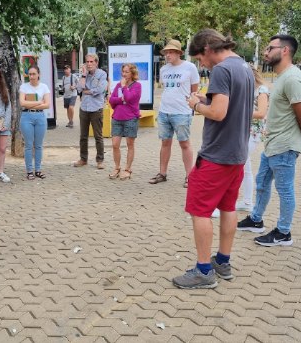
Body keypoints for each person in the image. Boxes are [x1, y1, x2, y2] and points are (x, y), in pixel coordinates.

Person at [171, 29, 254, 289]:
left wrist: (195, 105)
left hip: (216, 155)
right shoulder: (244, 67)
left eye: (199, 59)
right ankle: (223, 262)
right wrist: (205, 98)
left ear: (207, 48)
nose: (202, 65)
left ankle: (204, 270)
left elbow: (218, 113)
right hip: (237, 154)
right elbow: (232, 104)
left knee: (200, 211)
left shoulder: (221, 70)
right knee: (228, 208)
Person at [237, 35, 301, 246]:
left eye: (269, 48)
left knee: (285, 190)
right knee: (262, 183)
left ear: (284, 51)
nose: (265, 52)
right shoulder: (282, 77)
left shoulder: (292, 78)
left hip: (284, 146)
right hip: (273, 144)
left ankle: (284, 233)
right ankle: (255, 219)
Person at [148, 39, 200, 188]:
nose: (167, 55)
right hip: (164, 111)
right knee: (165, 142)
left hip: (182, 112)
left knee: (184, 143)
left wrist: (193, 108)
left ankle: (190, 176)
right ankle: (162, 173)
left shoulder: (189, 67)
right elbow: (166, 89)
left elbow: (194, 90)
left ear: (178, 53)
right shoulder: (164, 69)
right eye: (166, 52)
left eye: (170, 52)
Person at [235, 65, 270, 212]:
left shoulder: (262, 90)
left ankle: (224, 204)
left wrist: (237, 111)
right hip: (244, 131)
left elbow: (261, 113)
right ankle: (247, 201)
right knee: (245, 168)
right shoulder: (247, 89)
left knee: (236, 166)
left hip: (253, 133)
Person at [73, 53, 108, 169]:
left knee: (98, 136)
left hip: (96, 108)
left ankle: (100, 160)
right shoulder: (84, 75)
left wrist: (87, 91)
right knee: (83, 136)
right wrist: (83, 76)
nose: (89, 64)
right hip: (84, 108)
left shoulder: (102, 74)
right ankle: (83, 159)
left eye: (91, 62)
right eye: (87, 62)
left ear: (96, 63)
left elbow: (100, 90)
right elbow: (79, 89)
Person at [107, 63, 142, 180]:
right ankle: (117, 167)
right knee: (115, 144)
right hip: (117, 118)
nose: (124, 74)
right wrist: (121, 99)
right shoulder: (118, 85)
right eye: (123, 71)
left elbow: (130, 98)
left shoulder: (137, 86)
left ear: (132, 73)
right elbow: (111, 101)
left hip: (130, 119)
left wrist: (123, 89)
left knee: (130, 144)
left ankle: (127, 169)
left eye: (127, 72)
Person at [19, 65, 51, 180]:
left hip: (40, 117)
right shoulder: (24, 87)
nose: (31, 76)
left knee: (38, 145)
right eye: (30, 74)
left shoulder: (44, 87)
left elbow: (47, 104)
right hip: (27, 116)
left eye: (34, 74)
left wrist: (31, 103)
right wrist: (38, 102)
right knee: (28, 145)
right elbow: (22, 103)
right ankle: (29, 171)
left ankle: (37, 169)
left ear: (38, 74)